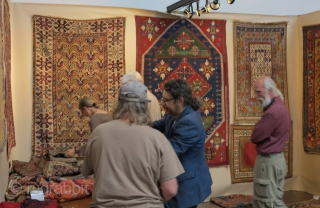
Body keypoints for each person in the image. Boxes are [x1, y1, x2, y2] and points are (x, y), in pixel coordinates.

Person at [82, 81, 185, 208]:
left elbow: (87, 173)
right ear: (144, 106)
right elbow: (170, 189)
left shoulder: (99, 133)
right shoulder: (158, 138)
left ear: (119, 102)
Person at [152, 78, 212, 208]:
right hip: (179, 181)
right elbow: (158, 125)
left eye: (166, 100)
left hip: (186, 186)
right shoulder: (173, 113)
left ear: (180, 101)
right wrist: (138, 126)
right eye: (162, 98)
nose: (162, 103)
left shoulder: (189, 123)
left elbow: (168, 152)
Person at [251, 76, 291, 208]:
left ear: (270, 89)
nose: (256, 96)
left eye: (258, 92)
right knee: (275, 201)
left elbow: (255, 137)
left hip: (268, 163)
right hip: (277, 161)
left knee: (265, 202)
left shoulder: (272, 112)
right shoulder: (281, 107)